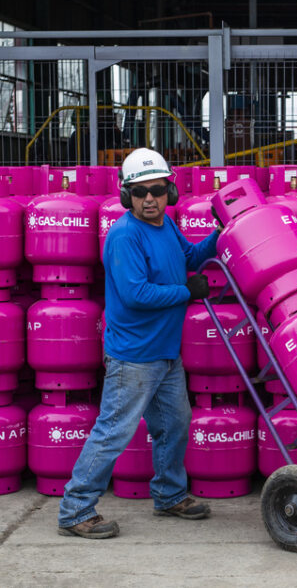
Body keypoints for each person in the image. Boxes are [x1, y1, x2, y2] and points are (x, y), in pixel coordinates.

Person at [57, 148, 219, 539]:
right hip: (133, 358)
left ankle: (168, 494)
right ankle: (75, 510)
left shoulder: (168, 227)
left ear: (170, 193)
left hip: (165, 354)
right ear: (127, 196)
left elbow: (192, 257)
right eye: (141, 191)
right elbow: (135, 294)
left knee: (176, 425)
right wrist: (186, 292)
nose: (150, 198)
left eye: (158, 190)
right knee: (113, 432)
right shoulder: (124, 235)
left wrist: (224, 230)